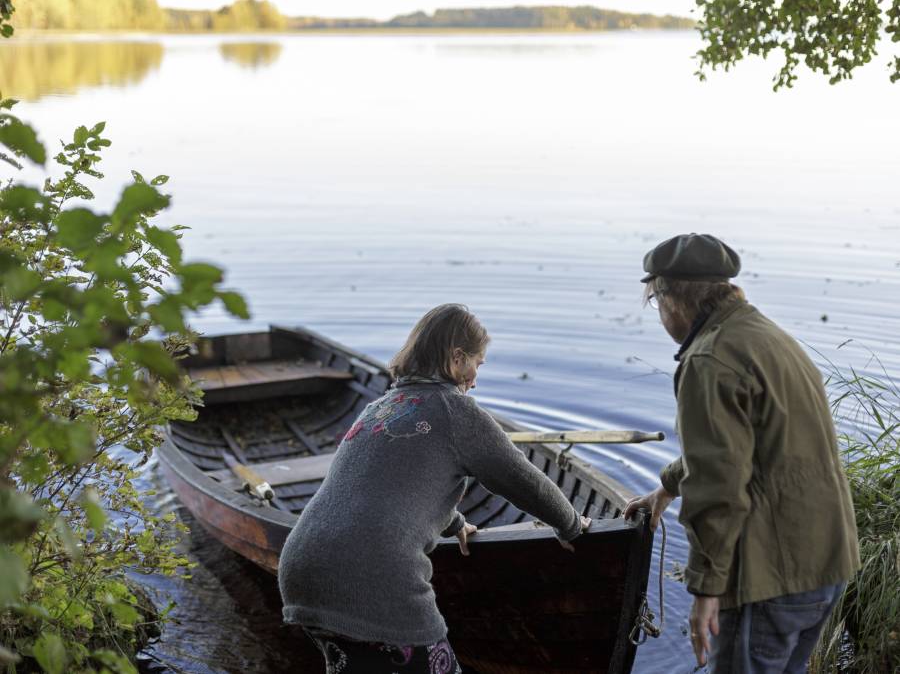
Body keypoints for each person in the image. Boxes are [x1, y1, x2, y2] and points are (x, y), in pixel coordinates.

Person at [278, 303, 591, 674]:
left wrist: (455, 523)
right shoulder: (456, 411)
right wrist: (570, 524)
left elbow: (389, 485)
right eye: (478, 363)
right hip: (371, 577)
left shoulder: (378, 408)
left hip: (302, 568)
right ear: (457, 358)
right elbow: (521, 479)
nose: (475, 379)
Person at [623, 233, 859, 673]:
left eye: (655, 302)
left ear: (672, 300)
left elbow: (718, 488)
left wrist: (706, 590)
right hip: (827, 564)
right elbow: (743, 449)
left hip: (769, 577)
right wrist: (667, 487)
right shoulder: (768, 337)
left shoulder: (708, 361)